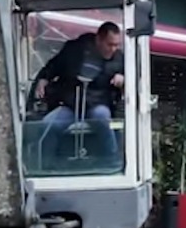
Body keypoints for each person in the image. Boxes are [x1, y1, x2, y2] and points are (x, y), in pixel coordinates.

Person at [34, 22, 125, 161]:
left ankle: (111, 161)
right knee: (48, 124)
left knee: (102, 118)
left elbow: (134, 79)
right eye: (109, 44)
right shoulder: (75, 49)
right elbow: (55, 64)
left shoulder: (119, 59)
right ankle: (48, 165)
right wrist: (44, 79)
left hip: (98, 104)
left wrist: (123, 78)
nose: (113, 49)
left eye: (116, 45)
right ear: (98, 39)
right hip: (72, 104)